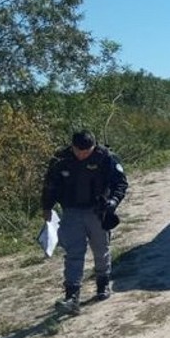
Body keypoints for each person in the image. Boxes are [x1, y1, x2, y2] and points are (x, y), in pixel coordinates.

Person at [42, 130, 129, 314]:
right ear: (72, 146)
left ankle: (102, 283)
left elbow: (120, 183)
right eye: (78, 151)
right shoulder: (60, 159)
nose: (82, 155)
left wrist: (112, 202)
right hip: (71, 212)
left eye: (86, 151)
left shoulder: (106, 157)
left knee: (100, 248)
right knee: (74, 253)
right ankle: (72, 296)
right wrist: (47, 207)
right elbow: (50, 184)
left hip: (97, 211)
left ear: (93, 146)